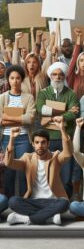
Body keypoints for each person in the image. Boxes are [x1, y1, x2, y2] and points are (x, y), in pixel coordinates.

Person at [5, 117, 71, 225]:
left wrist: (62, 129)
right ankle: (49, 217)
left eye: (43, 142)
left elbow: (68, 153)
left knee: (64, 203)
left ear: (48, 143)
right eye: (37, 142)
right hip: (33, 201)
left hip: (52, 201)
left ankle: (27, 219)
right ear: (33, 144)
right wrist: (11, 139)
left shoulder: (55, 157)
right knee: (13, 201)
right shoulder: (27, 158)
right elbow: (8, 163)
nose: (40, 145)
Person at [36, 62, 79, 198]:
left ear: (64, 76)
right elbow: (41, 109)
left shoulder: (71, 93)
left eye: (61, 75)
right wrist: (64, 111)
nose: (57, 77)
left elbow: (74, 113)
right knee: (48, 173)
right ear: (50, 76)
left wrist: (50, 117)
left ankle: (65, 202)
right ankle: (50, 202)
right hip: (47, 140)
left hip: (65, 138)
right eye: (54, 74)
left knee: (66, 174)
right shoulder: (43, 93)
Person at [0, 65, 36, 198]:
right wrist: (21, 118)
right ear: (8, 80)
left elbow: (30, 118)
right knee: (8, 171)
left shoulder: (29, 97)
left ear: (22, 80)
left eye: (18, 78)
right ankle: (8, 203)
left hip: (24, 138)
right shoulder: (2, 98)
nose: (15, 81)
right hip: (6, 138)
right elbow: (0, 121)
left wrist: (7, 116)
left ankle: (22, 201)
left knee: (23, 170)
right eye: (12, 78)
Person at [66, 29, 84, 100]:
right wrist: (78, 38)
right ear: (78, 62)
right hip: (74, 108)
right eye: (81, 60)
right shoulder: (73, 76)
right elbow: (74, 58)